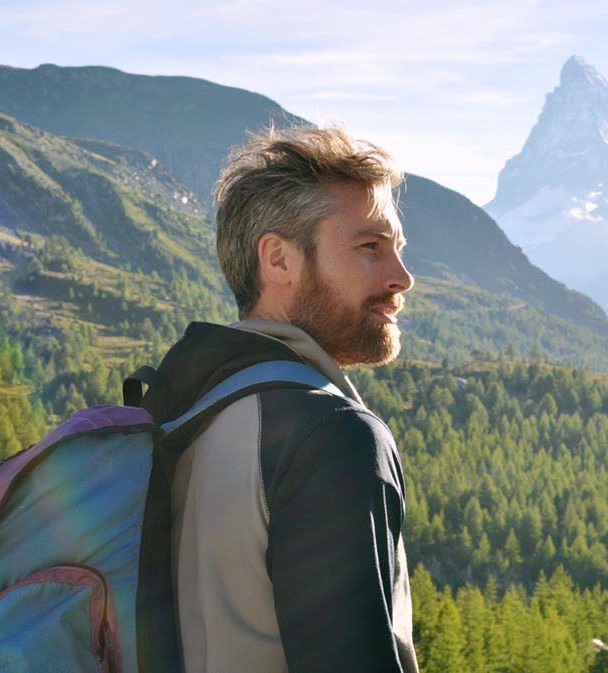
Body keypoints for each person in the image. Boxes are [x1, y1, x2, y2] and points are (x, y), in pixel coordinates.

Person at [166, 123, 419, 672]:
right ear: (278, 260)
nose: (404, 277)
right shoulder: (331, 435)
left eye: (398, 249)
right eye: (370, 247)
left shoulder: (178, 411)